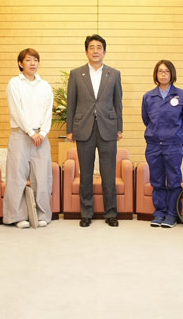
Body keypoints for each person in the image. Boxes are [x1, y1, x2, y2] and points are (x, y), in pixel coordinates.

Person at [67, 34, 123, 227]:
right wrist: (70, 129)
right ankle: (86, 213)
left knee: (109, 173)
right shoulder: (76, 74)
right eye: (91, 47)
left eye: (99, 47)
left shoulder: (114, 74)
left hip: (108, 128)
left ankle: (111, 213)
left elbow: (118, 103)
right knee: (86, 174)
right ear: (86, 52)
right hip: (84, 128)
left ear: (104, 52)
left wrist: (119, 127)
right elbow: (71, 103)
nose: (95, 51)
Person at [4, 48, 54, 228]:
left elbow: (48, 111)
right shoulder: (14, 83)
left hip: (41, 137)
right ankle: (17, 217)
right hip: (21, 135)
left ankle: (42, 215)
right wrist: (31, 133)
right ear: (20, 63)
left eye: (35, 60)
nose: (32, 63)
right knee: (16, 176)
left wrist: (43, 132)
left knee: (42, 177)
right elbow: (16, 111)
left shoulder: (45, 86)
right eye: (28, 60)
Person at [142, 60, 183, 228]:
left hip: (173, 144)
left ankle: (172, 214)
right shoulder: (148, 97)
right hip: (154, 144)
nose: (163, 74)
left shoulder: (181, 95)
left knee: (173, 180)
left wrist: (175, 134)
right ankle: (159, 213)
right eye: (160, 71)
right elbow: (146, 119)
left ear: (172, 74)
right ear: (156, 74)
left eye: (166, 71)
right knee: (156, 180)